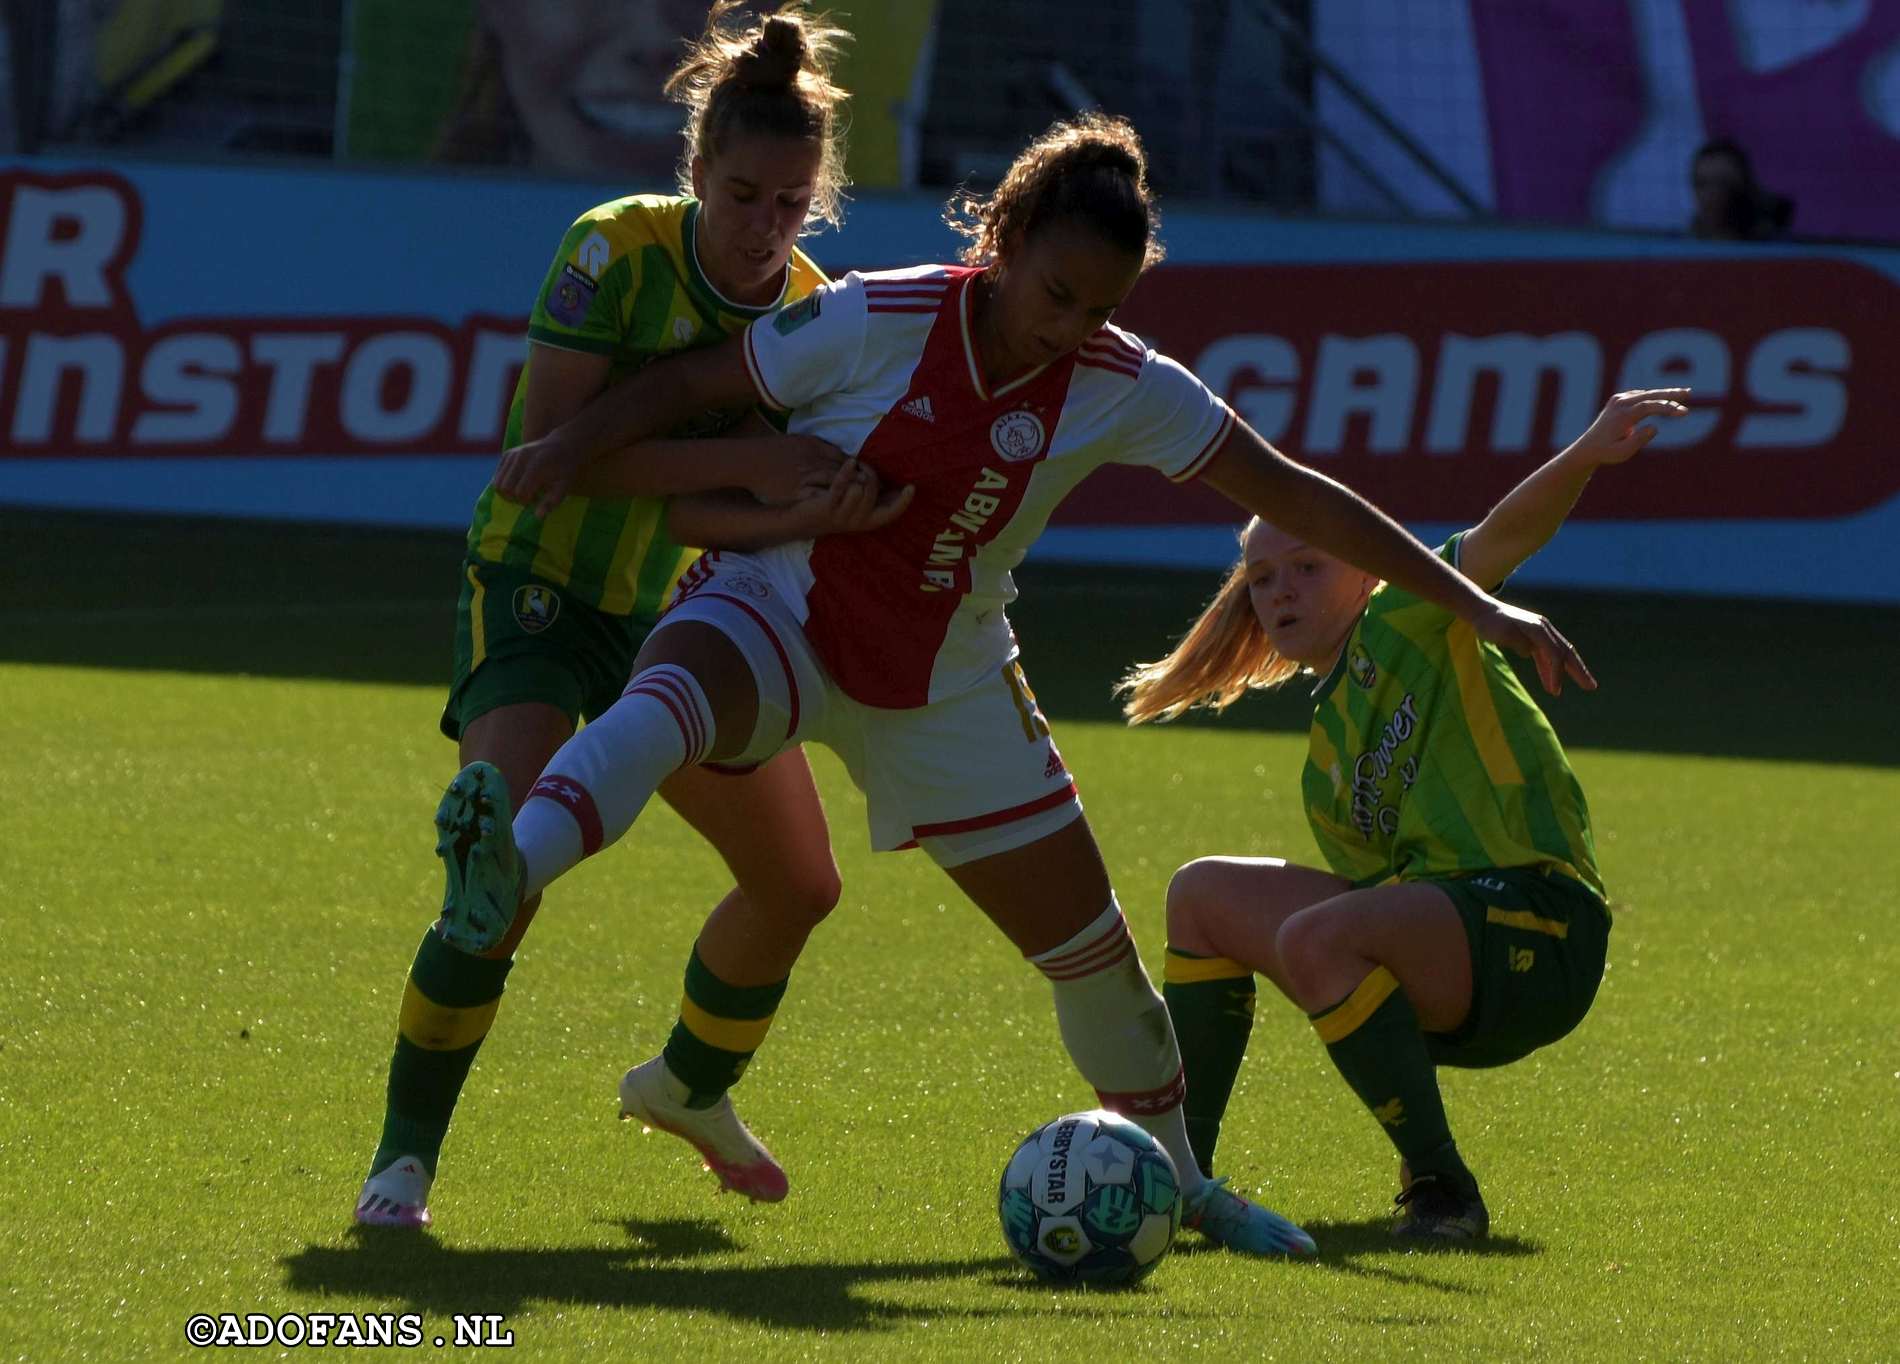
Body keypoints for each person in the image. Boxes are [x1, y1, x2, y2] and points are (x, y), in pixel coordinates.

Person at [458, 110, 1596, 1258]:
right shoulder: (878, 311)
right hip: (784, 607)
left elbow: (1293, 490)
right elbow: (699, 379)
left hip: (949, 680)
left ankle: (1187, 1189)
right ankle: (506, 865)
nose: (1071, 328)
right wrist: (565, 447)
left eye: (1100, 308)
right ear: (999, 239)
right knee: (666, 702)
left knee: (1095, 955)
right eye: (1056, 293)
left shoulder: (1123, 382)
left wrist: (1476, 601)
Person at [353, 1, 907, 1230]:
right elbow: (559, 459)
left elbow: (731, 515)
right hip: (541, 587)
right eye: (745, 194)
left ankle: (688, 1086)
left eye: (791, 203)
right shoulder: (609, 249)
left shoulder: (814, 308)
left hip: (679, 613)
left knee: (800, 884)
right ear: (696, 172)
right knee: (503, 876)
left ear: (819, 197)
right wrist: (760, 472)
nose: (767, 228)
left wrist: (820, 502)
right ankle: (401, 1166)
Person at [1121, 388, 1688, 1241]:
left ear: (1364, 564)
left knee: (1315, 934)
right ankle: (1177, 1177)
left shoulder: (1411, 610)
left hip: (1542, 923)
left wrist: (1586, 452)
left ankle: (1443, 1191)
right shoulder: (1325, 762)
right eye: (1263, 579)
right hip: (1456, 962)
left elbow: (1505, 535)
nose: (1279, 593)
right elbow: (1373, 928)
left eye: (1307, 566)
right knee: (1201, 894)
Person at [1689, 136, 1793, 242]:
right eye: (1702, 184)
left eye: (1722, 182)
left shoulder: (1771, 244)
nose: (1711, 194)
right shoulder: (1685, 244)